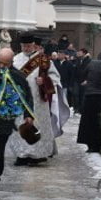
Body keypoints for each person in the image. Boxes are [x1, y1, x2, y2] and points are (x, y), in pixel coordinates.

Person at [8, 33, 66, 165]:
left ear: (34, 45)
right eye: (24, 46)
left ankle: (36, 155)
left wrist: (45, 80)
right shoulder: (15, 59)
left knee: (37, 125)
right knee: (20, 124)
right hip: (19, 100)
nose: (26, 48)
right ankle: (21, 154)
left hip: (38, 100)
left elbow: (56, 77)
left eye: (29, 46)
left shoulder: (44, 60)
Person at [0, 47, 33, 190]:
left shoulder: (17, 76)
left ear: (11, 62)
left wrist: (28, 115)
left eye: (4, 64)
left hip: (4, 120)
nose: (0, 66)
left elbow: (27, 96)